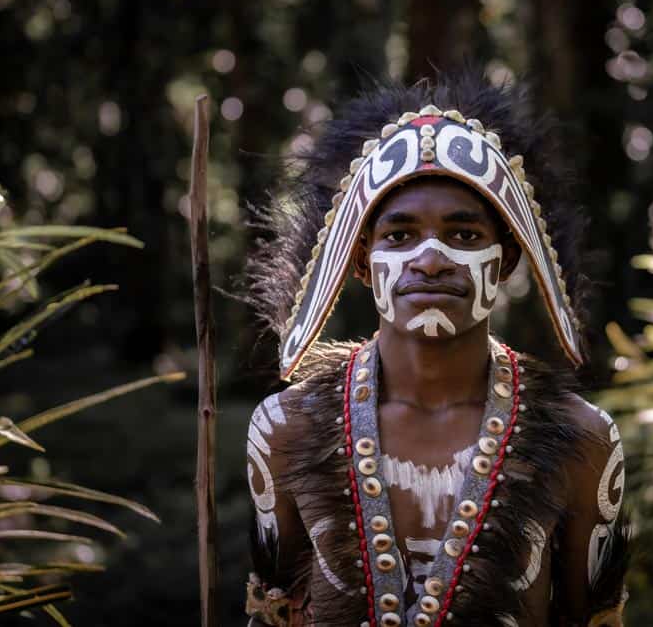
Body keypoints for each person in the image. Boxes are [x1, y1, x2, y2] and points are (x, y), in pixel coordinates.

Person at [242, 71, 629, 626]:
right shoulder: (284, 429)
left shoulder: (585, 439)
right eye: (399, 236)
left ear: (507, 261)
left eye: (464, 235)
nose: (429, 259)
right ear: (360, 262)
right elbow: (270, 612)